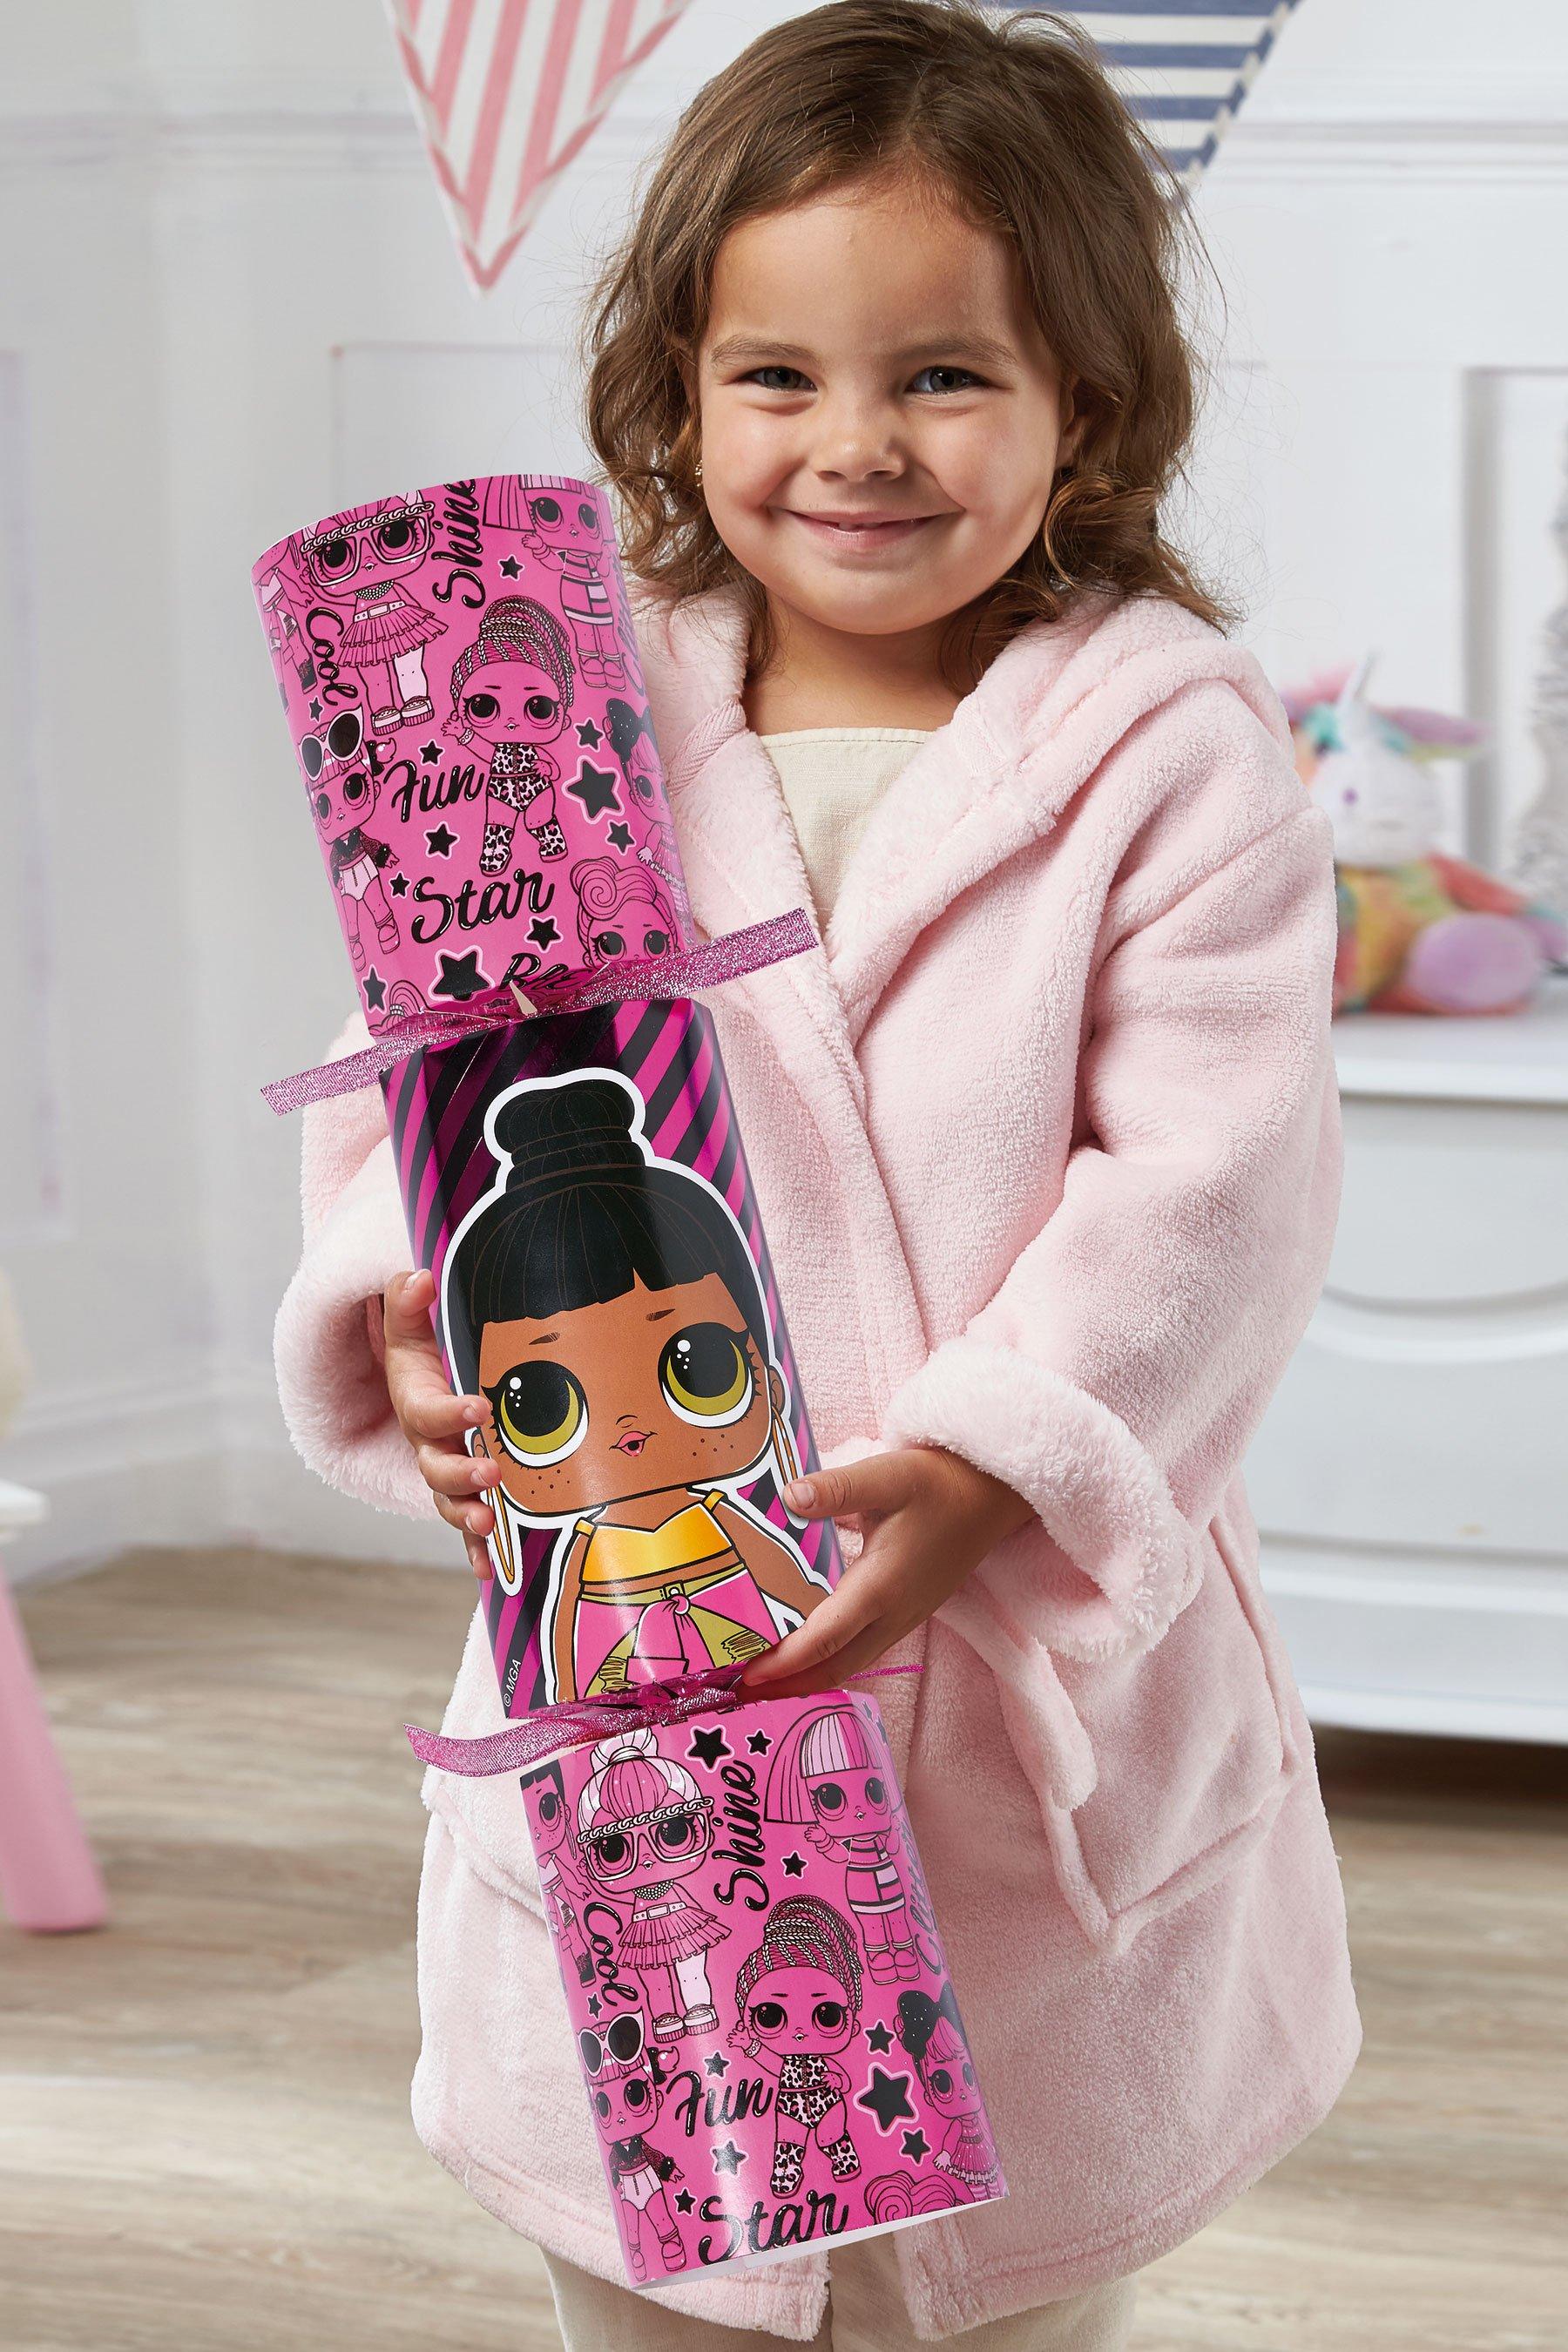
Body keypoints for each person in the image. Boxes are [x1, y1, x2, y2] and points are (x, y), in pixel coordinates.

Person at [274, 5, 1361, 2345]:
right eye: (777, 375)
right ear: (678, 392)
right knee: (653, 2268)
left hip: (1007, 1678)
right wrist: (409, 1313)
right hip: (644, 1664)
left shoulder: (1165, 752)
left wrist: (996, 1461)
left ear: (1087, 407)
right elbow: (416, 1085)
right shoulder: (543, 711)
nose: (856, 443)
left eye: (944, 377)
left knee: (1008, 2276)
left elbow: (1215, 1184)